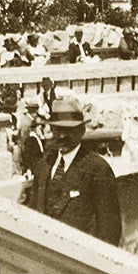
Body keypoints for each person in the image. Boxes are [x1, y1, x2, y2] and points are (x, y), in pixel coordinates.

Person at [29, 96, 122, 246]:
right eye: (58, 129)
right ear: (51, 129)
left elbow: (110, 231)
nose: (62, 135)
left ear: (81, 131)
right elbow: (32, 213)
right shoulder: (44, 166)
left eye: (69, 129)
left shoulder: (98, 169)